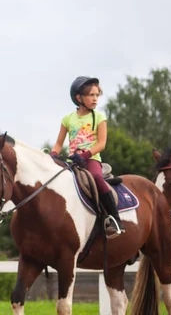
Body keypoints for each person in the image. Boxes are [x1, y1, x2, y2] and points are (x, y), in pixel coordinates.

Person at [50, 76, 125, 239]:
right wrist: (53, 154)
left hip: (91, 159)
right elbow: (58, 143)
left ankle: (115, 219)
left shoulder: (99, 117)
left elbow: (102, 143)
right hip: (72, 162)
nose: (95, 99)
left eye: (97, 95)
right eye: (91, 95)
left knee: (97, 177)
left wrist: (86, 155)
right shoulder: (67, 119)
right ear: (79, 97)